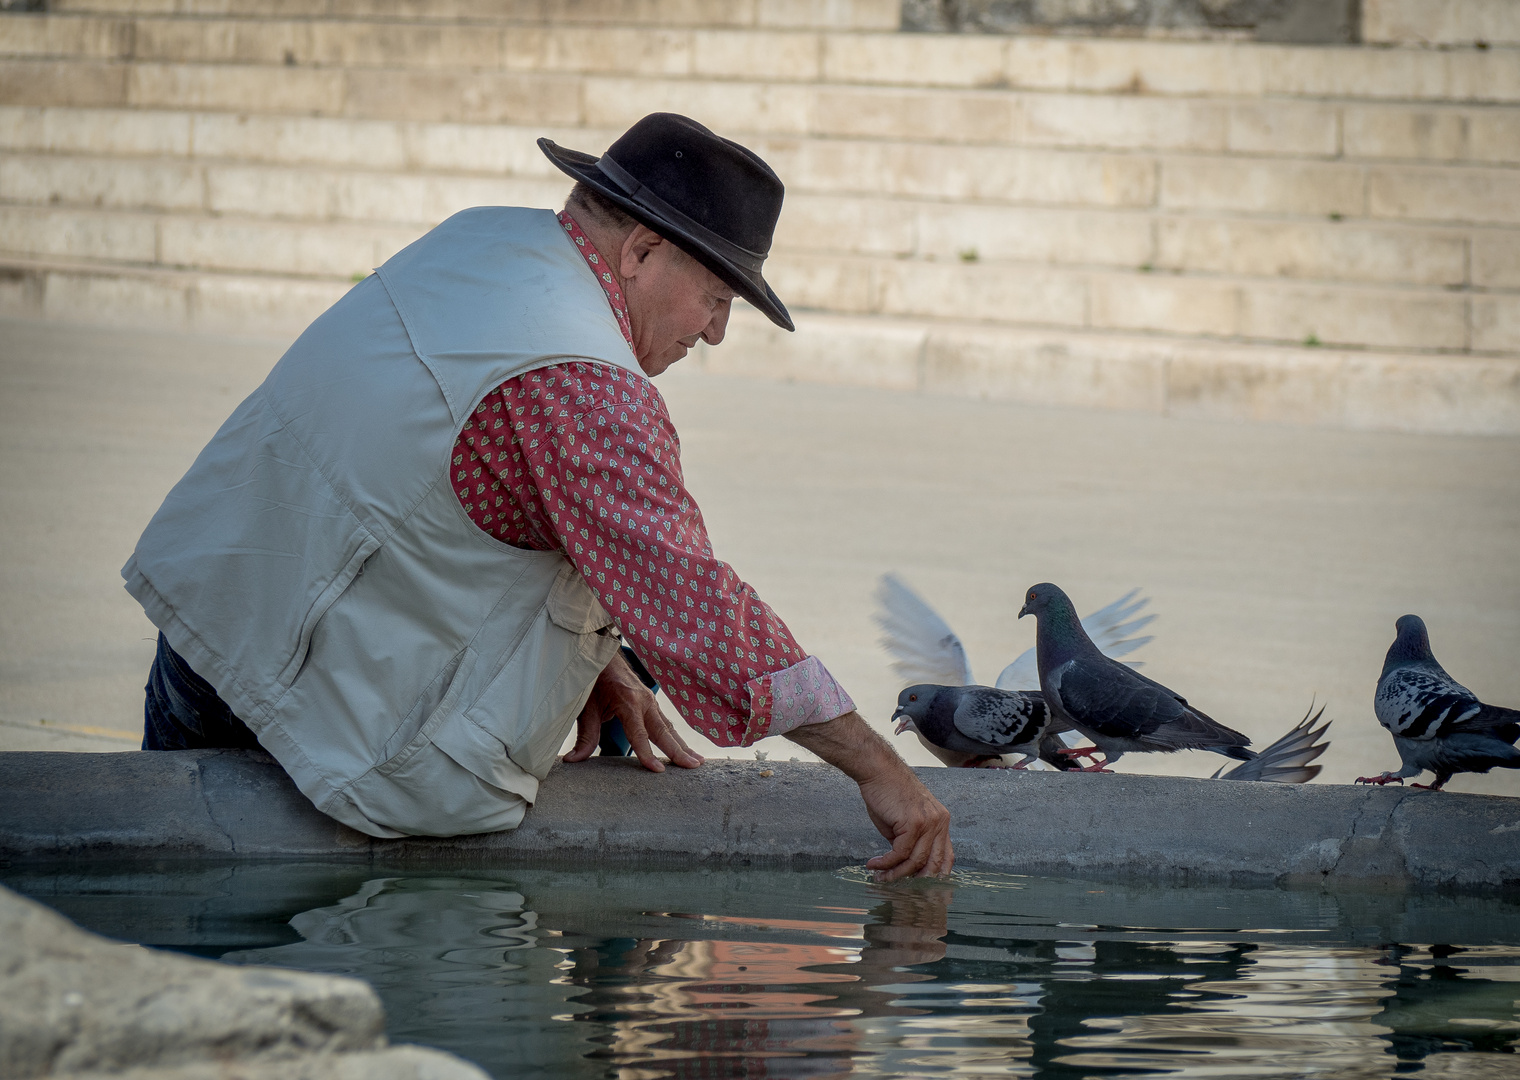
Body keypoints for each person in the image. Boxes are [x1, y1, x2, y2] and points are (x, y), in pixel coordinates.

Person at [125, 112, 952, 881]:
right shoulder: (589, 388)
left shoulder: (478, 242)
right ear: (639, 253)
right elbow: (702, 617)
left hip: (215, 622)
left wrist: (596, 661)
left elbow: (429, 481)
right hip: (294, 702)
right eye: (717, 296)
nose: (714, 331)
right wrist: (879, 769)